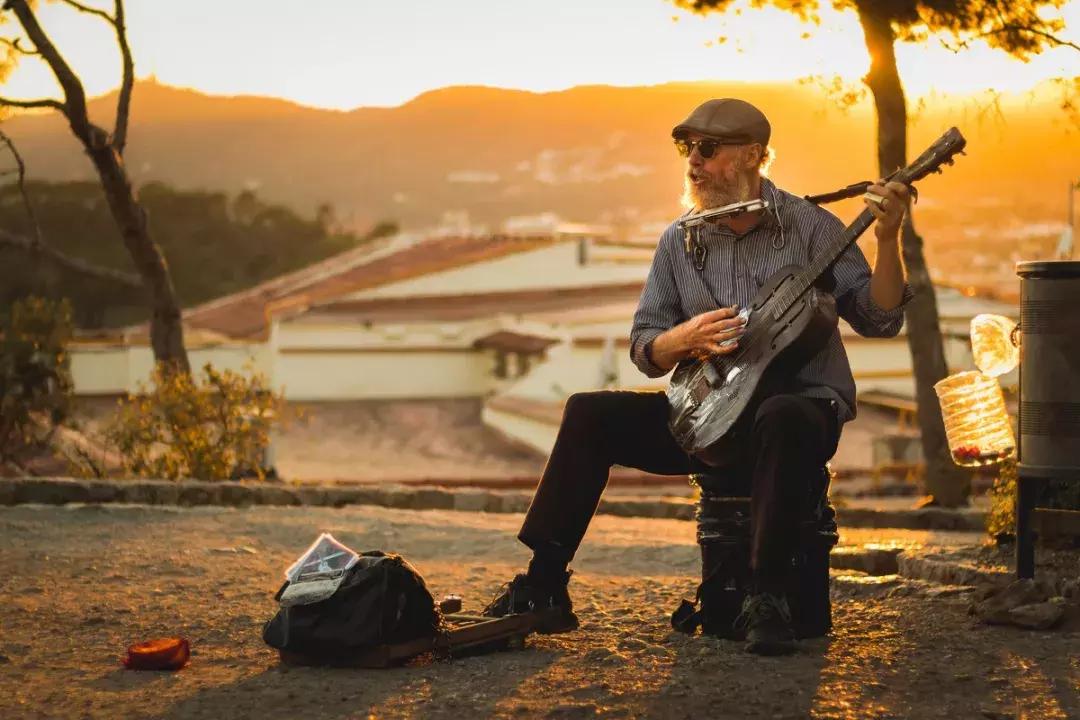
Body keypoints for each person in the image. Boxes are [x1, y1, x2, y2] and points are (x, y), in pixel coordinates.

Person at [482, 98, 912, 655]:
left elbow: (880, 319)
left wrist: (887, 239)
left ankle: (769, 594)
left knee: (781, 415)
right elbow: (645, 347)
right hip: (707, 420)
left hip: (798, 416)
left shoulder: (813, 229)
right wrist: (680, 340)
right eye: (688, 149)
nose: (694, 162)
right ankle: (543, 585)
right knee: (590, 413)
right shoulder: (678, 241)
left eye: (708, 149)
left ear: (753, 155)